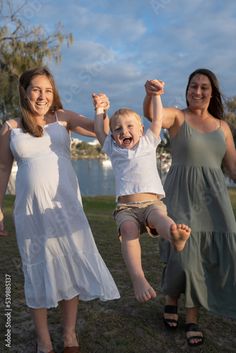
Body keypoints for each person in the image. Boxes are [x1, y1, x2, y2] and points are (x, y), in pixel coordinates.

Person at [0, 67, 120, 353]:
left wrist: (102, 110)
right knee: (35, 268)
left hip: (66, 207)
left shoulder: (62, 118)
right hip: (31, 212)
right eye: (37, 89)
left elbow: (97, 129)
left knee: (70, 265)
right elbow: (3, 167)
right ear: (25, 91)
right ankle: (44, 339)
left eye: (48, 90)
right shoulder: (11, 127)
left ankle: (69, 334)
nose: (43, 96)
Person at [143, 68, 236, 347]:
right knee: (183, 254)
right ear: (187, 89)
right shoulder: (177, 116)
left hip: (214, 200)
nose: (197, 91)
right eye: (193, 86)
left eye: (204, 87)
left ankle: (185, 310)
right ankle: (178, 306)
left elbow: (232, 167)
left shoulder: (222, 127)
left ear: (212, 92)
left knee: (210, 254)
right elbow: (152, 116)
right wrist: (151, 95)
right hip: (181, 195)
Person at [92, 89, 191, 304]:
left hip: (151, 202)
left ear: (141, 129)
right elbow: (99, 130)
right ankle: (138, 278)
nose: (123, 131)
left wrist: (156, 95)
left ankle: (174, 237)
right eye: (117, 129)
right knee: (128, 230)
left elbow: (157, 118)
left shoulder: (148, 142)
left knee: (161, 219)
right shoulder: (112, 148)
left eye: (129, 127)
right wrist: (100, 109)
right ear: (113, 136)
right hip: (125, 208)